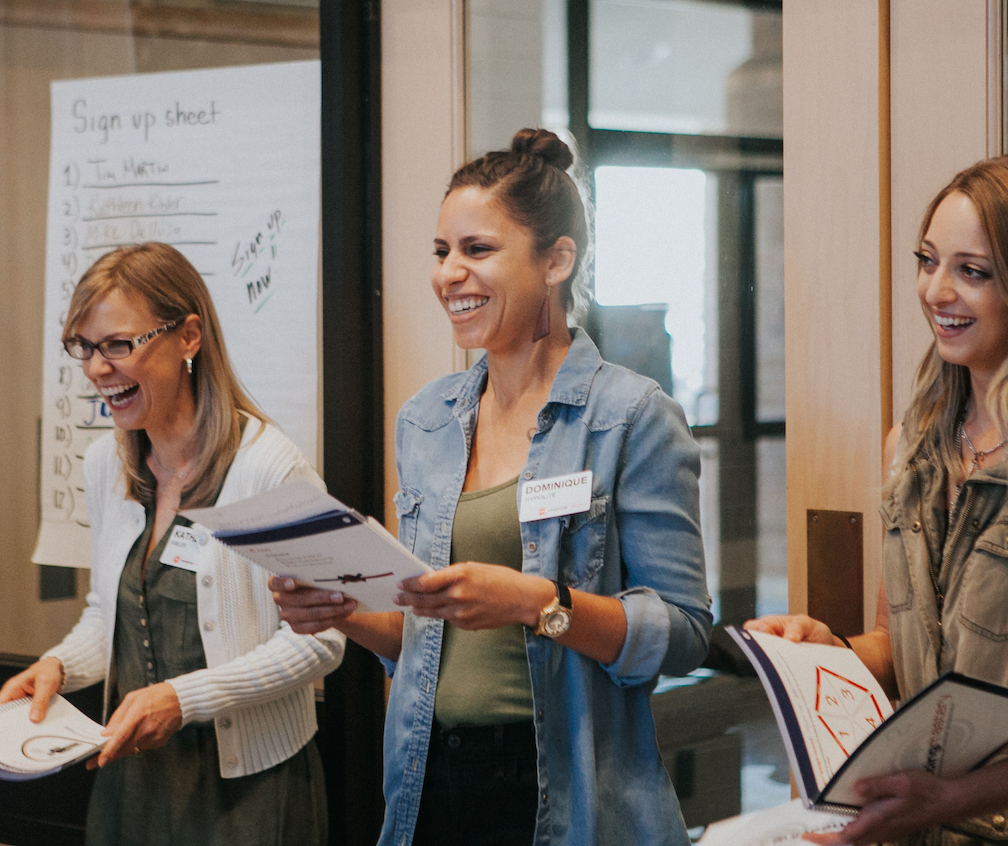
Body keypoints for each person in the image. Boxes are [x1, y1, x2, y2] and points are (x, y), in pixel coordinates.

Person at [271, 128, 713, 846]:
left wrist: (538, 603)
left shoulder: (631, 416)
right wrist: (340, 609)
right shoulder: (426, 420)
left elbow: (685, 635)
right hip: (428, 775)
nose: (450, 274)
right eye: (441, 251)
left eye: (477, 250)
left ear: (556, 260)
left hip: (562, 787)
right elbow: (421, 636)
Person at [0, 242, 344, 845]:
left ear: (189, 336)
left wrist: (186, 699)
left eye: (118, 344)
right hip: (134, 783)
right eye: (85, 346)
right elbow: (109, 614)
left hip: (247, 791)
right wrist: (60, 666)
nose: (97, 368)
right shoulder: (106, 463)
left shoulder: (269, 468)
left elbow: (322, 640)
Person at [746, 157, 1008, 846]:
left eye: (972, 271)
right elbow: (897, 646)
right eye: (927, 260)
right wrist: (828, 652)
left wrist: (956, 796)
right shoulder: (911, 445)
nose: (937, 291)